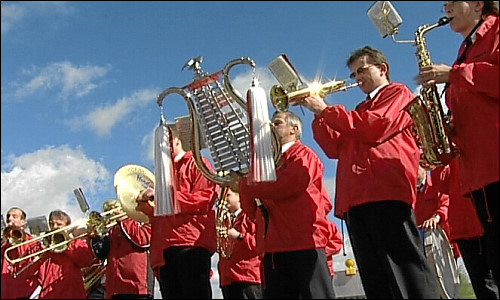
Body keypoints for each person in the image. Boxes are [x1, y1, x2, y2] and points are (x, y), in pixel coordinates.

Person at [299, 45, 440, 298]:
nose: (356, 78)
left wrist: (326, 110)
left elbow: (376, 128)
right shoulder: (359, 111)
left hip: (385, 192)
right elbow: (334, 148)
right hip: (356, 200)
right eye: (353, 74)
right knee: (375, 277)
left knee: (407, 270)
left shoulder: (397, 93)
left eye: (361, 70)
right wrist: (318, 116)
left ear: (382, 69)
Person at [415, 1, 499, 282]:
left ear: (477, 4)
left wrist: (454, 75)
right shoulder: (464, 50)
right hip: (478, 177)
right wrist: (442, 130)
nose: (445, 6)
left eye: (452, 0)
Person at [232, 110, 336, 299]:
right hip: (273, 248)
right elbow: (252, 210)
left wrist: (247, 185)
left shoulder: (304, 154)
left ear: (294, 129)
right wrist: (245, 185)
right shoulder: (266, 165)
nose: (271, 127)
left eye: (277, 123)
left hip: (303, 243)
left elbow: (291, 184)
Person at [136, 124, 218, 299]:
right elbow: (161, 215)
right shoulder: (162, 173)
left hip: (189, 243)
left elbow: (205, 199)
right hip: (164, 247)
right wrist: (145, 208)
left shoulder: (198, 163)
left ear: (178, 140)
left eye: (165, 141)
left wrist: (164, 195)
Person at [445, 160, 499, 299]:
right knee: (482, 286)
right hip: (464, 228)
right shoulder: (448, 163)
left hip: (481, 220)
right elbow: (440, 187)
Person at [20, 209, 95, 299]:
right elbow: (27, 273)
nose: (54, 227)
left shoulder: (75, 243)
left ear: (67, 227)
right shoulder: (42, 246)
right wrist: (42, 253)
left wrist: (67, 244)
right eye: (52, 224)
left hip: (72, 295)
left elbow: (85, 261)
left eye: (59, 224)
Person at [90, 200, 153, 299]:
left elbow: (143, 241)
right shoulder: (112, 229)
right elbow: (102, 254)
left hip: (138, 287)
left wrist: (124, 220)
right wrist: (96, 237)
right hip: (114, 290)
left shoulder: (144, 221)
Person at [217, 188, 263, 299]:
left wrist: (240, 236)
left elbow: (259, 244)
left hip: (247, 277)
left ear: (239, 198)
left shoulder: (249, 217)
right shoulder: (226, 221)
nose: (223, 200)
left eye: (228, 196)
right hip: (228, 278)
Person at [415, 165, 460, 258]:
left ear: (423, 167)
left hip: (442, 245)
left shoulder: (436, 185)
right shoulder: (411, 194)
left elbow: (446, 204)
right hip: (421, 247)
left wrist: (436, 217)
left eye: (416, 167)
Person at [1, 207, 40, 299]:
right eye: (8, 217)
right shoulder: (3, 244)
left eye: (14, 216)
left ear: (23, 222)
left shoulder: (32, 242)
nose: (10, 219)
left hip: (25, 292)